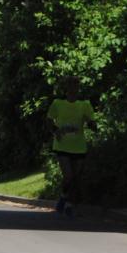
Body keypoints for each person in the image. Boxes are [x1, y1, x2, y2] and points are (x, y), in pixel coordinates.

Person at [47, 74, 94, 218]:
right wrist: (55, 131)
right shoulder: (57, 103)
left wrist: (92, 124)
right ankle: (66, 202)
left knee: (76, 178)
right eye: (71, 85)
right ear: (66, 88)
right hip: (62, 145)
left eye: (76, 85)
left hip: (79, 146)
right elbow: (49, 120)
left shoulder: (85, 105)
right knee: (68, 176)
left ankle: (67, 202)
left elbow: (91, 121)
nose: (73, 88)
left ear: (78, 88)